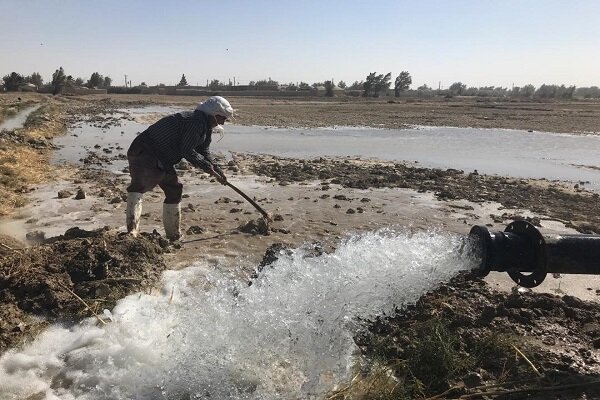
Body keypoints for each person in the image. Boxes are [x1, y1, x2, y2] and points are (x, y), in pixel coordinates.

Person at [125, 96, 234, 240]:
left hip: (163, 157)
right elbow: (187, 150)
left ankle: (173, 235)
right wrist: (207, 167)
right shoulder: (195, 121)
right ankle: (132, 232)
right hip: (146, 150)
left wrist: (218, 171)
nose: (222, 122)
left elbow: (204, 151)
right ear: (213, 114)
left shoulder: (205, 127)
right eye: (221, 118)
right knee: (139, 186)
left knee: (174, 190)